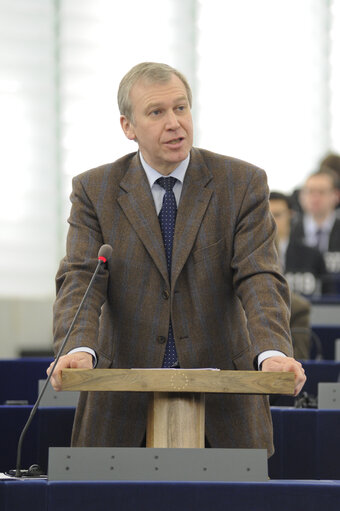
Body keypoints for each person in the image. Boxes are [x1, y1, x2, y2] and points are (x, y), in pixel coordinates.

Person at [48, 62, 305, 457]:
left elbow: (260, 276)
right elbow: (82, 277)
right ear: (128, 127)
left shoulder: (241, 183)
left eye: (181, 108)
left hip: (224, 408)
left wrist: (272, 353)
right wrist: (78, 347)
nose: (175, 123)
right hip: (121, 410)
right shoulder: (94, 190)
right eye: (157, 112)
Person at [269, 191, 327, 296]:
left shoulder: (312, 255)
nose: (270, 221)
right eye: (265, 216)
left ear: (290, 215)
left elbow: (328, 299)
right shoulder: (249, 256)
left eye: (277, 215)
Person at [290, 169, 340, 277]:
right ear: (301, 196)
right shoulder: (290, 231)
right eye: (310, 192)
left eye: (322, 192)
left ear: (336, 195)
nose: (315, 198)